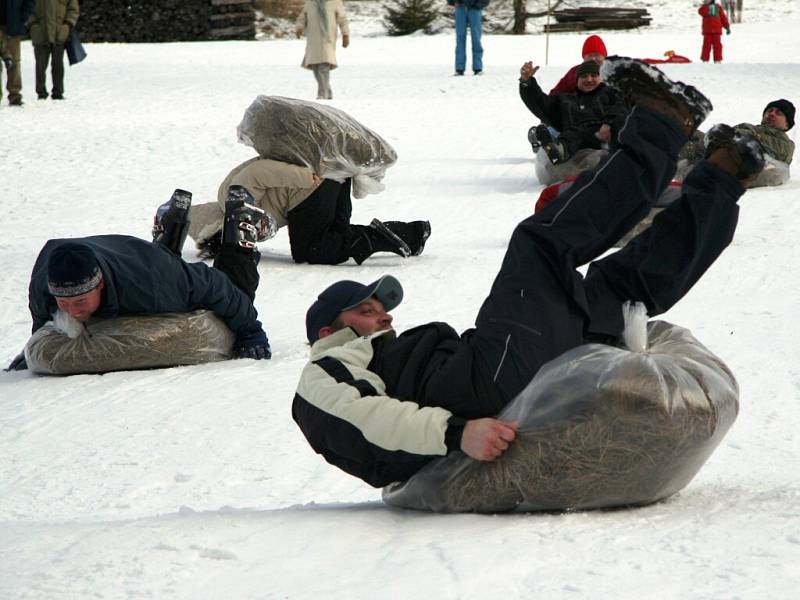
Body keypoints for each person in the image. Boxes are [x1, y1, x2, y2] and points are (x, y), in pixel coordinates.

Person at [291, 56, 767, 489]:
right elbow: (370, 420)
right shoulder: (321, 376)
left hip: (502, 377)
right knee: (538, 245)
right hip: (490, 382)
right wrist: (458, 434)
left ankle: (721, 183)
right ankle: (661, 127)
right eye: (369, 310)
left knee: (621, 289)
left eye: (380, 309)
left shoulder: (373, 363)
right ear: (328, 330)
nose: (385, 317)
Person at [5, 188, 272, 371]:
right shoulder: (46, 284)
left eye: (80, 301)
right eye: (64, 303)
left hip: (145, 264)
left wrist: (250, 331)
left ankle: (241, 227)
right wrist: (35, 352)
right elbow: (43, 323)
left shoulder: (153, 284)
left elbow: (217, 287)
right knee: (160, 261)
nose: (72, 311)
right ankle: (171, 226)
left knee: (237, 294)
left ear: (100, 285)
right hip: (120, 256)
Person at [187, 157, 431, 266]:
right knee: (336, 236)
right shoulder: (242, 222)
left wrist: (305, 178)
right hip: (331, 176)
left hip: (312, 185)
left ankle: (396, 235)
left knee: (312, 251)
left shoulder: (231, 197)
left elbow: (259, 171)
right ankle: (408, 234)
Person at [520, 59, 628, 163]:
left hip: (608, 138)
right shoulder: (565, 100)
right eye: (584, 76)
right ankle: (559, 151)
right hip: (576, 144)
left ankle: (623, 163)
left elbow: (622, 106)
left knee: (622, 126)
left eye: (594, 76)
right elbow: (542, 104)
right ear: (577, 81)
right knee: (572, 134)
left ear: (601, 78)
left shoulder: (611, 93)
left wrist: (609, 123)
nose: (589, 79)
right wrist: (527, 83)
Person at [680, 99, 796, 167]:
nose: (771, 114)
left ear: (787, 125)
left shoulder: (786, 144)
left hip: (719, 155)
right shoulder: (755, 129)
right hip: (713, 147)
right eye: (770, 110)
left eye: (778, 113)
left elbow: (753, 144)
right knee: (680, 126)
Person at [295, 0, 349, 100]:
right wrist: (299, 28)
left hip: (327, 39)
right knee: (315, 67)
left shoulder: (335, 2)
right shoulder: (310, 3)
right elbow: (302, 17)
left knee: (324, 66)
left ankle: (322, 94)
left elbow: (343, 19)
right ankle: (328, 92)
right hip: (313, 40)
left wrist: (345, 35)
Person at [26, 0, 78, 100]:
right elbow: (26, 8)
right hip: (41, 33)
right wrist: (33, 25)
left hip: (59, 33)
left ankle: (58, 92)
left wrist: (67, 25)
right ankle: (41, 92)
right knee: (40, 65)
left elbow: (73, 9)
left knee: (58, 65)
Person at [0, 0, 33, 106]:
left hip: (13, 26)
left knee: (14, 60)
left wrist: (22, 20)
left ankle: (14, 93)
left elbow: (29, 3)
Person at [446, 0, 489, 76]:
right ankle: (459, 68)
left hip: (475, 9)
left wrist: (479, 4)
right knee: (460, 39)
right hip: (460, 7)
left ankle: (478, 68)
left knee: (476, 38)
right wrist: (452, 2)